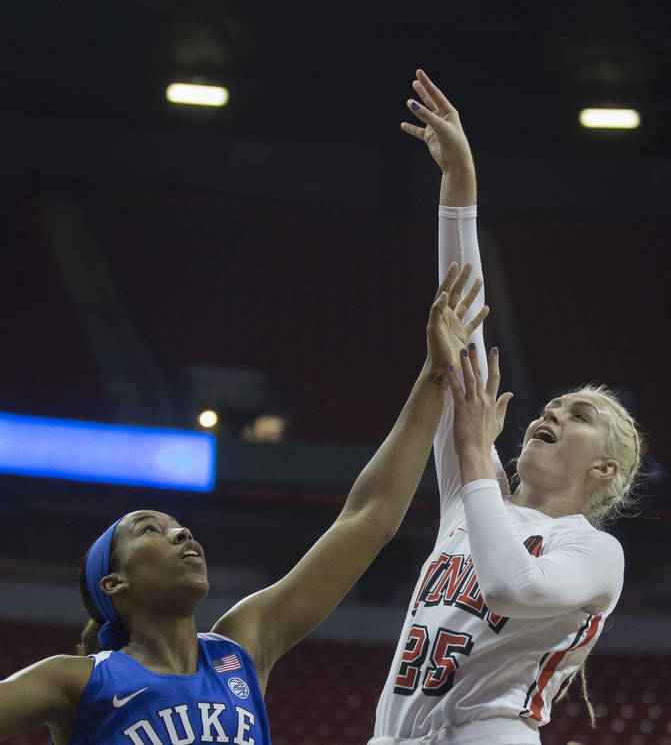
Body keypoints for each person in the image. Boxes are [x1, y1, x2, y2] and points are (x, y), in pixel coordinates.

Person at [0, 261, 499, 745]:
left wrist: (437, 374)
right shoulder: (76, 681)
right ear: (115, 583)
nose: (181, 533)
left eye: (178, 526)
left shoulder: (240, 647)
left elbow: (368, 519)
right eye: (150, 530)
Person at [369, 70, 645, 745]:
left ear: (605, 470)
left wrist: (471, 456)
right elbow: (460, 325)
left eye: (577, 414)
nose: (552, 410)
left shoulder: (593, 551)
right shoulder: (476, 490)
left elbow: (510, 588)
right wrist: (458, 186)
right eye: (553, 403)